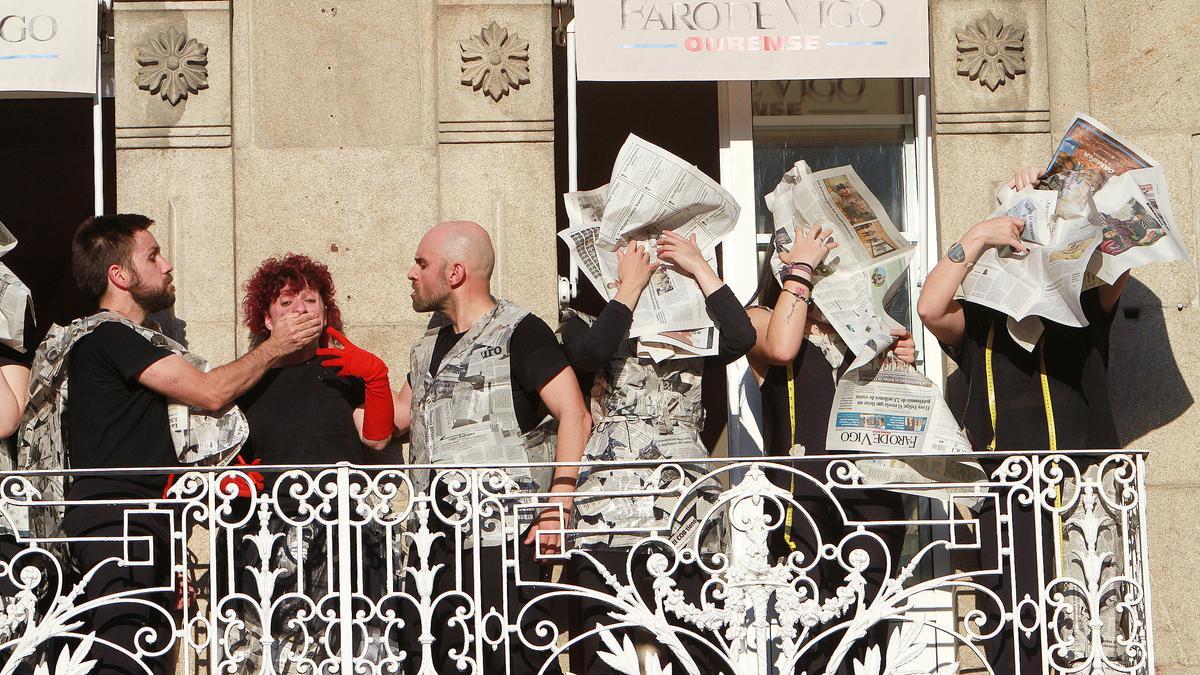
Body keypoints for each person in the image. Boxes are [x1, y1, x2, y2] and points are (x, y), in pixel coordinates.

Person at [18, 214, 319, 675]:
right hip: (118, 520)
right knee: (121, 658)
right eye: (153, 256)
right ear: (120, 275)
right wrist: (274, 346)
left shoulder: (124, 340)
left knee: (144, 658)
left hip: (137, 522)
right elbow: (210, 391)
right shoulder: (109, 335)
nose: (168, 265)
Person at [916, 166, 1125, 675]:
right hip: (1008, 491)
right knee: (1013, 625)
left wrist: (1071, 196)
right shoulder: (980, 317)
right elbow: (929, 306)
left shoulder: (1085, 304)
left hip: (1082, 486)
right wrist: (979, 234)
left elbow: (1121, 262)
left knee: (1088, 626)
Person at [393, 220, 591, 675]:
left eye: (421, 263)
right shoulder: (428, 346)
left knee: (508, 660)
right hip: (432, 544)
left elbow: (575, 414)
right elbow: (395, 422)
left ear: (455, 273)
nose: (411, 273)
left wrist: (558, 507)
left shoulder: (520, 332)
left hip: (499, 539)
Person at [559, 232, 756, 675]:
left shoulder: (694, 325)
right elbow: (589, 354)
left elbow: (742, 336)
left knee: (691, 633)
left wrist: (700, 268)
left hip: (684, 494)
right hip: (611, 499)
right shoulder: (579, 321)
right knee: (610, 635)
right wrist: (628, 288)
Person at [744, 224, 916, 673]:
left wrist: (904, 367)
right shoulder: (761, 317)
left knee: (868, 634)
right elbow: (781, 347)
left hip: (873, 494)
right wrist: (798, 271)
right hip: (803, 500)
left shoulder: (867, 330)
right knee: (810, 636)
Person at [219, 253, 395, 671]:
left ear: (325, 311)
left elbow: (377, 438)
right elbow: (221, 450)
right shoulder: (249, 380)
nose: (300, 309)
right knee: (275, 652)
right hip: (271, 537)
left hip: (343, 532)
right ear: (266, 320)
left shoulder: (342, 369)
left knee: (349, 652)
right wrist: (233, 478)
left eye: (310, 301)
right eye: (286, 303)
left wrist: (374, 378)